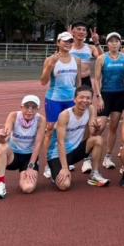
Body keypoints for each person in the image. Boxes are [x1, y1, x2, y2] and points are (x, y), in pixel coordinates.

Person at [47, 86, 110, 190]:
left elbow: (92, 133)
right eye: (81, 97)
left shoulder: (91, 109)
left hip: (75, 151)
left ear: (91, 100)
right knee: (64, 185)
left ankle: (94, 174)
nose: (85, 100)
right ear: (74, 99)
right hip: (57, 155)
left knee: (98, 139)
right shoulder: (65, 115)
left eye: (88, 98)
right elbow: (60, 142)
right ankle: (56, 170)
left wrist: (97, 128)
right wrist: (65, 168)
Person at [39, 31, 80, 178]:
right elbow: (43, 81)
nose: (68, 44)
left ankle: (65, 159)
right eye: (65, 41)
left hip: (71, 100)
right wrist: (50, 65)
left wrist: (78, 98)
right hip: (54, 99)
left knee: (68, 130)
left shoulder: (76, 60)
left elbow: (78, 83)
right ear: (58, 43)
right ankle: (48, 163)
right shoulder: (50, 59)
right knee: (51, 130)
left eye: (70, 41)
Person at [0, 95, 45, 199]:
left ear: (37, 109)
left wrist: (31, 166)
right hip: (13, 156)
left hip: (29, 158)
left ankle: (24, 174)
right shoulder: (13, 116)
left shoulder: (41, 120)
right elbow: (5, 139)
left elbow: (38, 144)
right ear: (21, 107)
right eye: (27, 106)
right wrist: (1, 137)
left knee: (28, 188)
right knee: (1, 147)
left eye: (33, 107)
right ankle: (0, 185)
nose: (30, 110)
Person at [92, 31, 124, 170]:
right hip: (105, 95)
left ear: (120, 43)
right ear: (107, 44)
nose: (114, 44)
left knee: (113, 127)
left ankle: (108, 156)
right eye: (111, 41)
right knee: (100, 127)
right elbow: (96, 79)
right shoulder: (101, 58)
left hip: (120, 95)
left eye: (116, 41)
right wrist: (99, 97)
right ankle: (88, 155)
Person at [69, 21, 102, 88]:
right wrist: (67, 39)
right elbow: (58, 56)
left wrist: (97, 42)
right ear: (73, 32)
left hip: (86, 80)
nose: (81, 32)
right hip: (70, 79)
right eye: (78, 29)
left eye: (84, 30)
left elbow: (103, 58)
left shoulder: (91, 48)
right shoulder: (68, 47)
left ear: (86, 34)